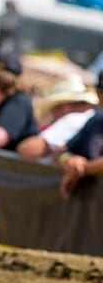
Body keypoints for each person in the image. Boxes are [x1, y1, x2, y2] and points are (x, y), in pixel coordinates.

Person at [16, 75, 98, 159]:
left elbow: (30, 149)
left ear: (64, 107)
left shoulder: (73, 119)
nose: (52, 115)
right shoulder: (93, 119)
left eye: (53, 109)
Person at [56, 71, 103, 199]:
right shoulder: (95, 121)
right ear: (99, 95)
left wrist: (83, 169)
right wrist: (69, 160)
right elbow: (61, 152)